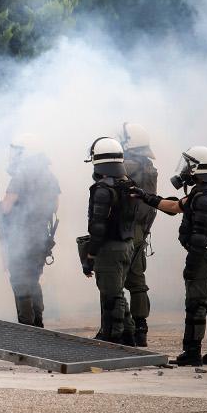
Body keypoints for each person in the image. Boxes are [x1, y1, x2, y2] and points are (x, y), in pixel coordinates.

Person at [133, 146, 207, 366]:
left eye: (188, 165)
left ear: (197, 167)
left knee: (196, 305)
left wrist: (192, 264)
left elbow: (199, 236)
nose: (185, 170)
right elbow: (175, 206)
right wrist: (144, 196)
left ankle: (192, 353)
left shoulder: (204, 196)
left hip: (203, 255)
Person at [0, 134, 59, 328]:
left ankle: (26, 325)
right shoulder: (49, 176)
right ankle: (38, 321)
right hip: (41, 236)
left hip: (21, 237)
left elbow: (6, 207)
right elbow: (55, 207)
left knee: (20, 280)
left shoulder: (20, 176)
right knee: (33, 279)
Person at [82, 137, 137, 346]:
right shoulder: (129, 184)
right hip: (127, 245)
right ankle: (129, 337)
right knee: (117, 293)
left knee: (110, 297)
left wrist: (90, 254)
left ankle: (113, 339)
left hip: (110, 248)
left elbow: (98, 227)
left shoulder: (102, 189)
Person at [117, 123, 158, 346]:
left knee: (115, 279)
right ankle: (141, 329)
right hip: (141, 229)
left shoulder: (124, 168)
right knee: (137, 280)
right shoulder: (149, 168)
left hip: (125, 229)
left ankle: (120, 328)